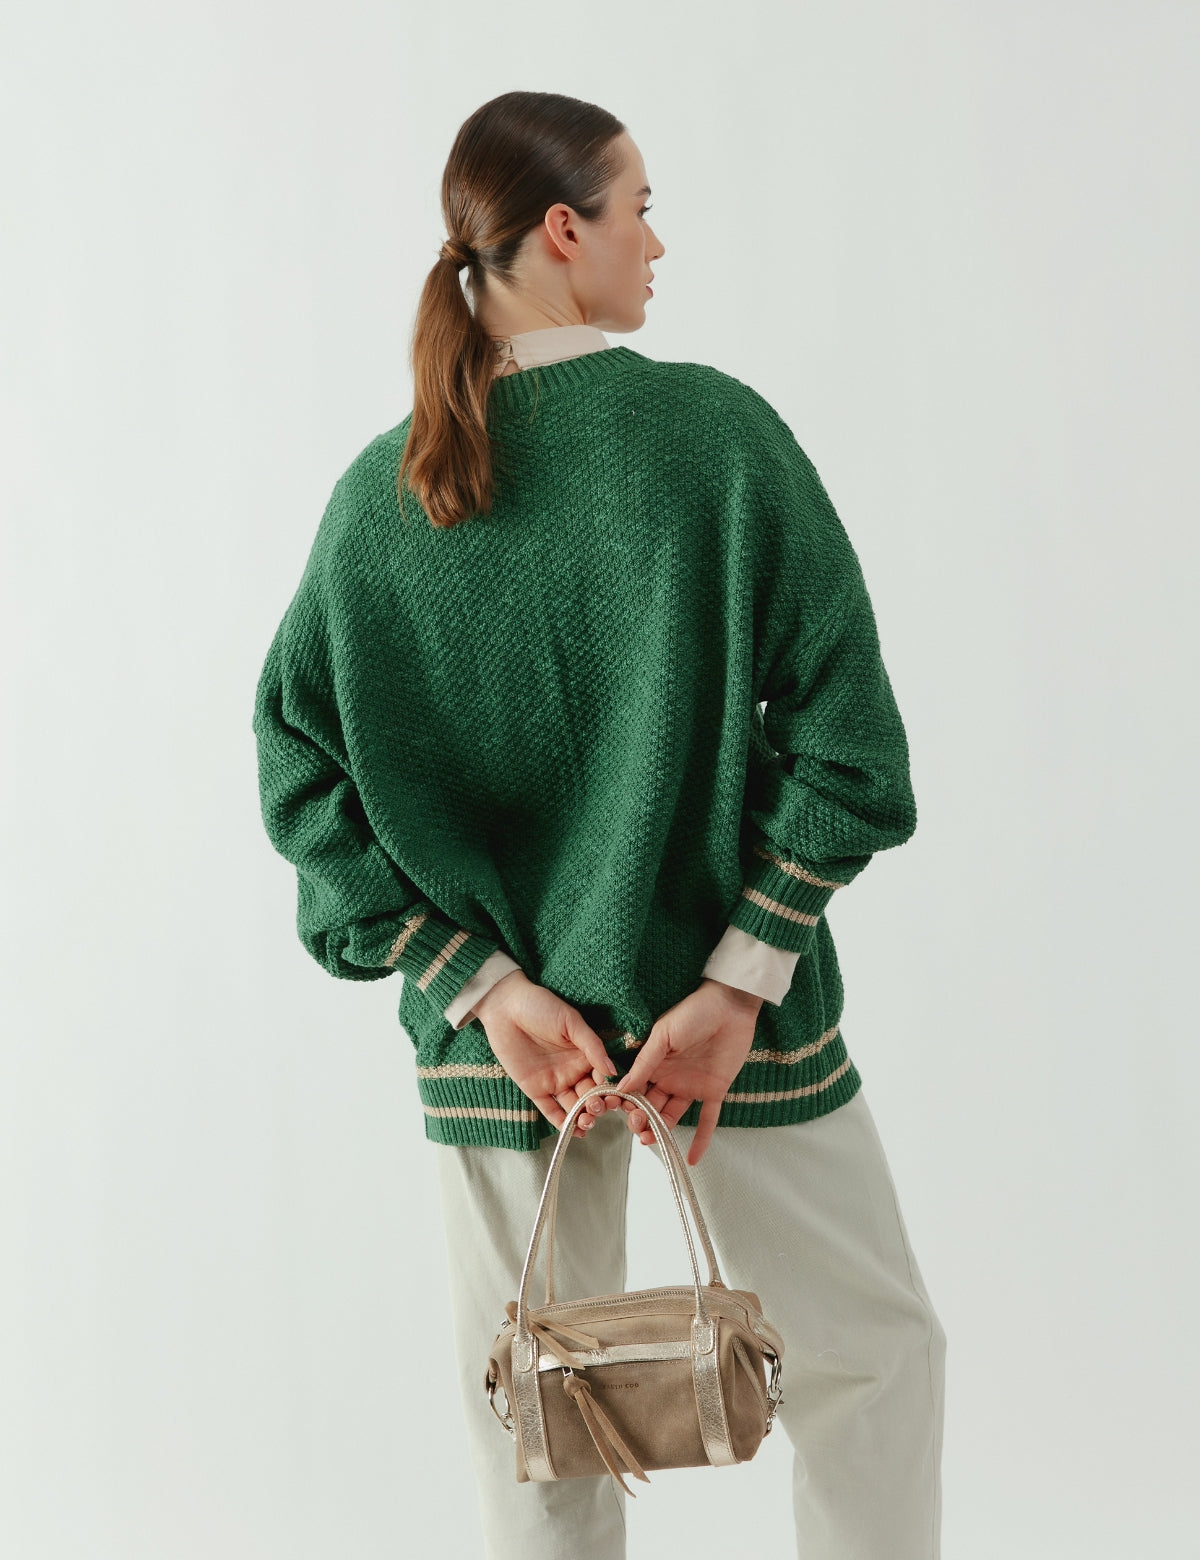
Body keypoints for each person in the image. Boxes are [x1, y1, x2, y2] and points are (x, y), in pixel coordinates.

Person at [252, 89, 946, 1560]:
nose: (658, 242)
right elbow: (851, 746)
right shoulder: (717, 438)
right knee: (874, 1365)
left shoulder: (385, 494)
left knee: (536, 1427)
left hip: (510, 1060)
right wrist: (738, 979)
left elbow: (301, 782)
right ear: (564, 231)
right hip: (735, 1029)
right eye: (641, 210)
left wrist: (483, 989)